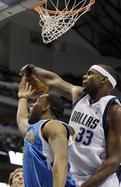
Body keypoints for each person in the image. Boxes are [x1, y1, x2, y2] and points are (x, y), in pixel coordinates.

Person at [20, 64, 121, 187]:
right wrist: (32, 69)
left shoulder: (114, 110)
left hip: (100, 181)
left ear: (104, 80)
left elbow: (113, 162)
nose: (84, 76)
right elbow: (53, 80)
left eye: (90, 74)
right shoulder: (79, 95)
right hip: (75, 177)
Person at [17, 80, 76, 187]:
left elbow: (61, 160)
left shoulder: (54, 126)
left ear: (46, 107)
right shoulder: (33, 129)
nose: (32, 105)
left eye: (37, 101)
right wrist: (23, 97)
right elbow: (21, 120)